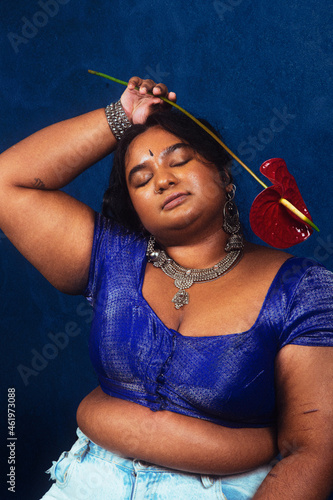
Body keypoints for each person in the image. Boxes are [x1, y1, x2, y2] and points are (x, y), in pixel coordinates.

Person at [0, 76, 332, 500]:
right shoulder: (111, 256)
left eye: (179, 161)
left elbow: (313, 452)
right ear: (135, 209)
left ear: (224, 173)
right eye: (141, 179)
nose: (162, 180)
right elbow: (8, 182)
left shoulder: (301, 289)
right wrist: (120, 118)